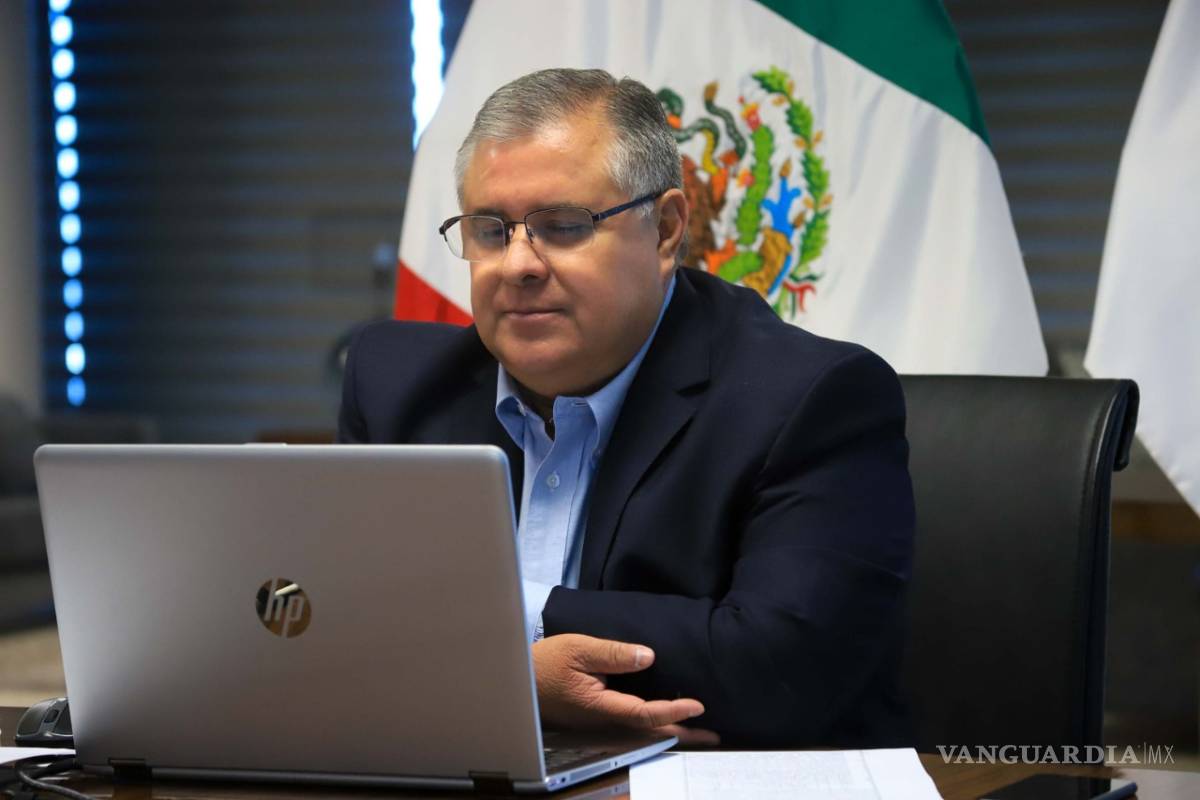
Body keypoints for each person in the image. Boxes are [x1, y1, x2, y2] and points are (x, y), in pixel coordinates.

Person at [338, 68, 915, 747]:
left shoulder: (811, 397)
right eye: (491, 231)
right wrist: (511, 669)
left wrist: (501, 649)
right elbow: (341, 625)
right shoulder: (396, 387)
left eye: (562, 226)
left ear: (666, 230)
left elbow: (779, 663)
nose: (519, 264)